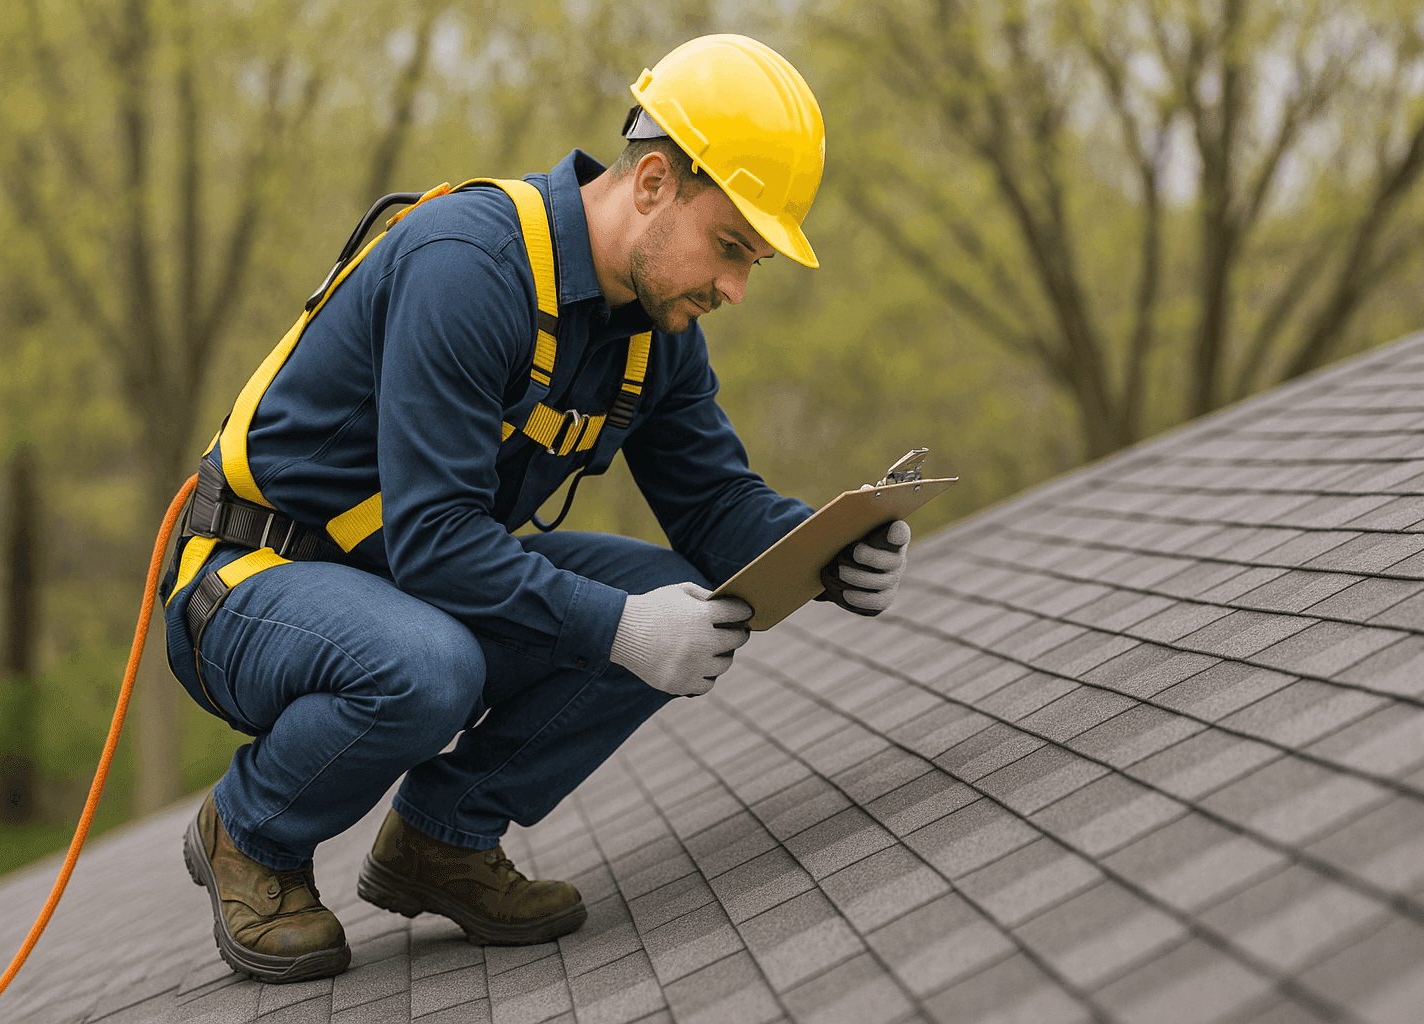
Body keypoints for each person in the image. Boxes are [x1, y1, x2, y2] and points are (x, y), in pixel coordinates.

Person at [161, 34, 911, 984]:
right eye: (730, 248)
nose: (734, 288)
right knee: (435, 662)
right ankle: (253, 831)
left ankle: (443, 839)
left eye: (753, 261)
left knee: (691, 600)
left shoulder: (656, 331)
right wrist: (618, 628)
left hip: (402, 585)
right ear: (650, 183)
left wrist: (831, 549)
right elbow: (436, 541)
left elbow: (717, 506)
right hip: (246, 586)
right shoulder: (466, 267)